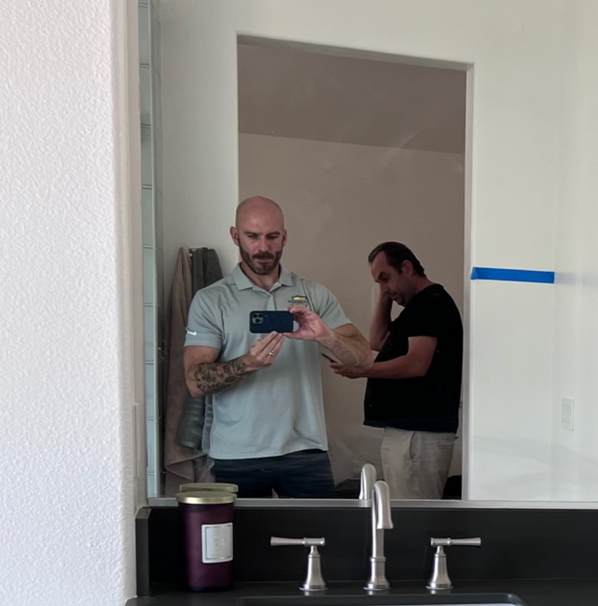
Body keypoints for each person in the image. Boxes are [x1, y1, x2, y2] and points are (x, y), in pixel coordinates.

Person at [183, 197, 372, 497]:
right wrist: (246, 364)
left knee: (316, 542)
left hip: (306, 451)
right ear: (235, 236)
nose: (263, 247)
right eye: (252, 236)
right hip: (237, 455)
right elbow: (194, 382)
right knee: (242, 545)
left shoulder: (314, 294)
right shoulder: (211, 300)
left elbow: (363, 358)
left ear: (285, 236)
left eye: (272, 237)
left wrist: (327, 336)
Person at [329, 241, 464, 500]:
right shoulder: (415, 308)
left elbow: (416, 363)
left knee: (411, 519)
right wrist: (385, 294)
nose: (384, 287)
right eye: (378, 281)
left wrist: (363, 370)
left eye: (386, 278)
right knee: (404, 514)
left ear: (407, 267)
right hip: (410, 432)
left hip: (419, 433)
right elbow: (377, 341)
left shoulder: (431, 303)